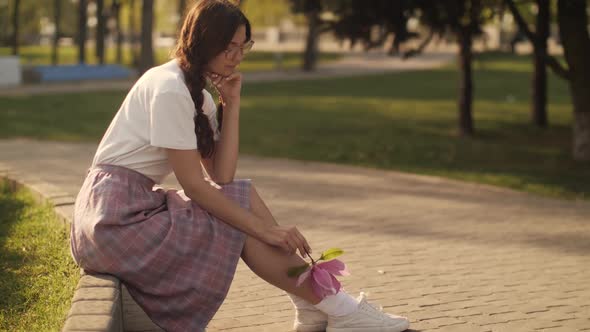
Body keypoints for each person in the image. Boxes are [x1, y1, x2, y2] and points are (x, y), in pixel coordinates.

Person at [70, 0, 411, 331]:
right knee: (238, 214)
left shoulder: (196, 94)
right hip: (114, 220)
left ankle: (314, 302)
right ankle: (334, 306)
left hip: (124, 211)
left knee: (240, 195)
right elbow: (195, 185)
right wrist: (264, 230)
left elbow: (222, 175)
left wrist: (230, 104)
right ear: (202, 41)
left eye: (242, 47)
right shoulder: (169, 88)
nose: (236, 57)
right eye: (227, 47)